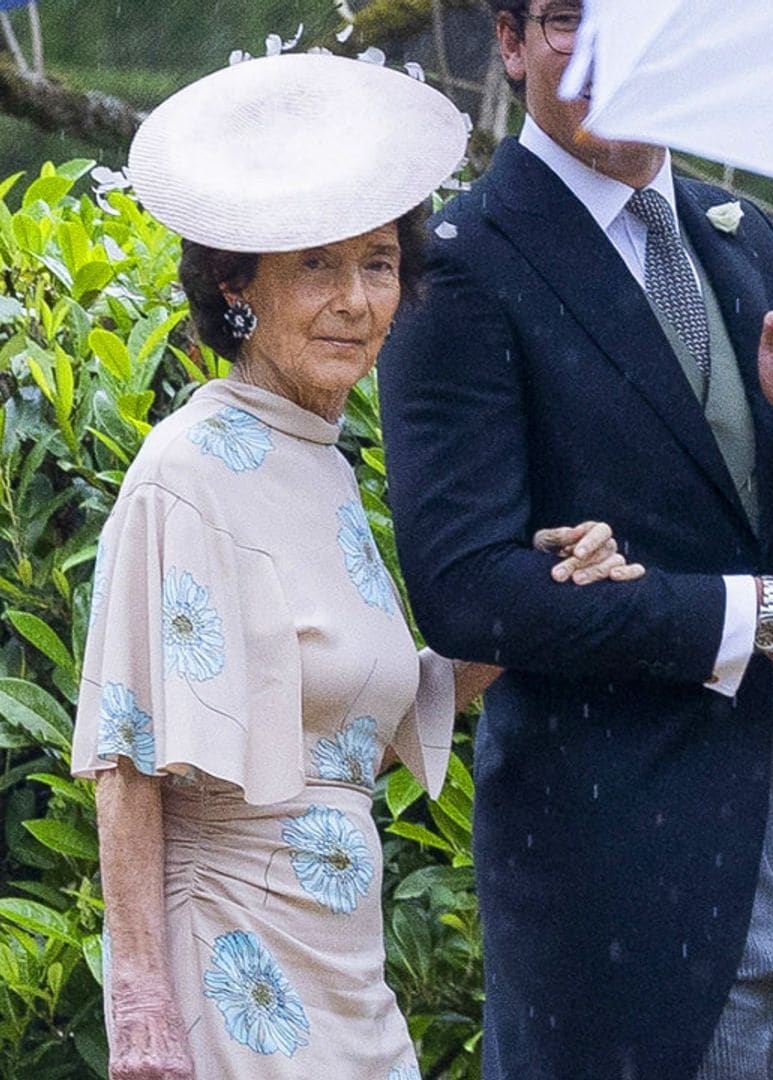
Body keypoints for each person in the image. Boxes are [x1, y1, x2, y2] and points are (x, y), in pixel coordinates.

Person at [71, 53, 643, 1080]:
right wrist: (141, 1007)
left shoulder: (323, 464)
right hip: (228, 958)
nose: (354, 300)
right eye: (315, 266)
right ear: (237, 285)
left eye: (377, 264)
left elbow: (350, 737)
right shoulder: (188, 467)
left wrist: (547, 588)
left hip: (346, 980)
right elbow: (128, 752)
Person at [378, 3, 773, 1078]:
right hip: (608, 878)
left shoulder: (752, 239)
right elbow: (469, 590)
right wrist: (764, 617)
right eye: (577, 19)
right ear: (512, 40)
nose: (619, 49)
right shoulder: (458, 267)